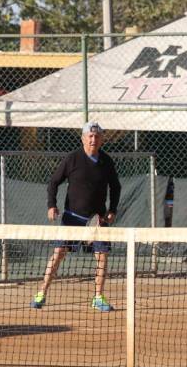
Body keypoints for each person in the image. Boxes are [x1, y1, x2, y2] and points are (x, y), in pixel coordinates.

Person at [31, 121, 122, 312]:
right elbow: (53, 182)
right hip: (72, 218)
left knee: (102, 257)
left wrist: (112, 210)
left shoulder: (106, 161)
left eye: (97, 136)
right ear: (83, 138)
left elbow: (116, 186)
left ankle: (98, 297)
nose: (93, 139)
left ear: (101, 139)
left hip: (97, 219)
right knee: (58, 255)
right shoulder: (72, 159)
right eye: (90, 136)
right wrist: (51, 205)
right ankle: (41, 293)